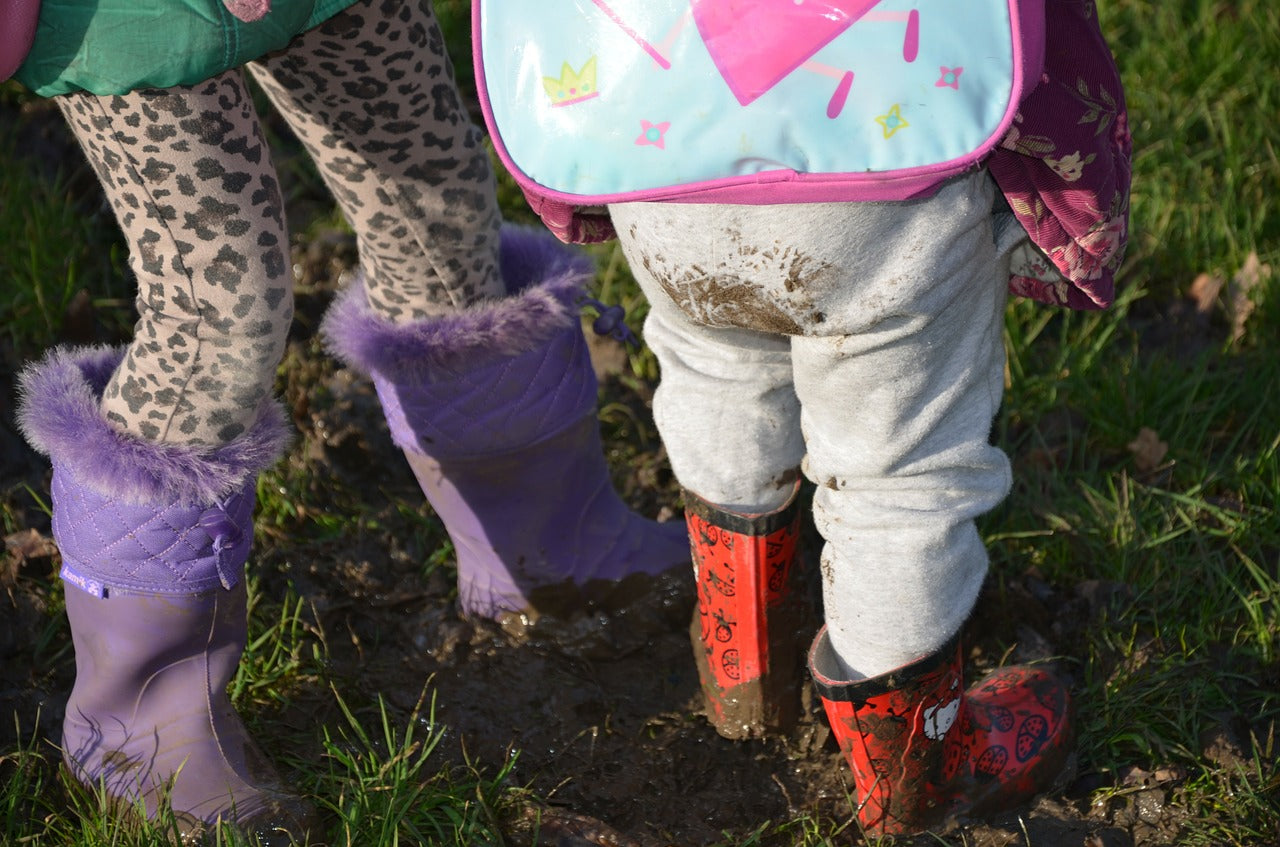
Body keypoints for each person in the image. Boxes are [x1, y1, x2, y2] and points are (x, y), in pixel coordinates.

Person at [9, 0, 689, 842]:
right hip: (130, 19)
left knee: (434, 198)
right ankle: (143, 720)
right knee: (221, 310)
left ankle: (550, 553)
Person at [476, 0, 1131, 835]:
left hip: (652, 117)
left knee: (716, 361)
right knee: (898, 468)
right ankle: (913, 780)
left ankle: (744, 668)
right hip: (886, 136)